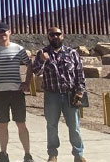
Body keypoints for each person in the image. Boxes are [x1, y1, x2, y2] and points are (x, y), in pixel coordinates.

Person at [0, 23, 34, 162]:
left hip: (16, 92)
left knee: (21, 123)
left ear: (9, 32)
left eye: (4, 31)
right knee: (2, 124)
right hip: (0, 93)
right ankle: (3, 154)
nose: (2, 34)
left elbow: (30, 65)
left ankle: (27, 154)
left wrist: (27, 83)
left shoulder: (19, 49)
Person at [32, 27, 86, 162]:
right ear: (48, 36)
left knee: (74, 126)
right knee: (51, 126)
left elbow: (79, 73)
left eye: (58, 34)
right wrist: (42, 60)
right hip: (52, 96)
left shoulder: (72, 53)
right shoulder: (42, 53)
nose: (55, 36)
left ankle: (78, 155)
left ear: (63, 35)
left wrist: (80, 91)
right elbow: (36, 72)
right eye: (52, 34)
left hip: (70, 94)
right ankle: (52, 154)